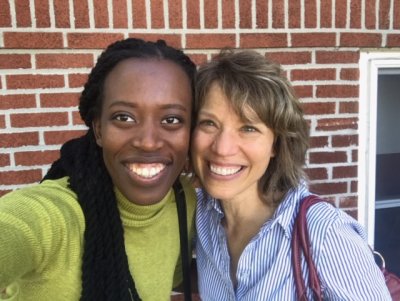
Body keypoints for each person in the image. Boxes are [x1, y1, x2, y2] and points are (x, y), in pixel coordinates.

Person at [0, 38, 197, 301]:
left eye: (171, 120)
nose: (148, 141)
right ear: (99, 129)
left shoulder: (186, 202)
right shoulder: (53, 216)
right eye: (124, 117)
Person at [191, 49, 391, 300]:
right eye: (209, 123)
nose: (222, 148)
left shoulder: (325, 232)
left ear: (276, 144)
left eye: (248, 128)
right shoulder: (199, 215)